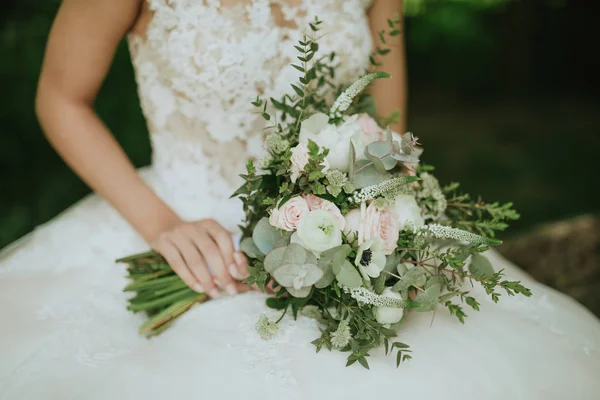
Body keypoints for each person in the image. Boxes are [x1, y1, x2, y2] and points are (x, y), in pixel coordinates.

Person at [0, 1, 599, 399]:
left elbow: (387, 131)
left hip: (348, 229)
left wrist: (372, 221)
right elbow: (60, 98)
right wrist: (163, 226)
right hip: (181, 222)